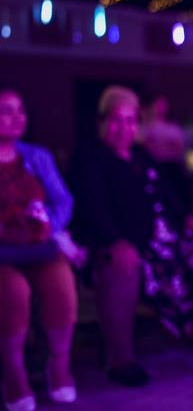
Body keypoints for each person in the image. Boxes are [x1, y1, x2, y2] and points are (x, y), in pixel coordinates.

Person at [70, 86, 193, 388]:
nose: (125, 128)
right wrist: (115, 240)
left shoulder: (141, 154)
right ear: (102, 122)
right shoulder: (90, 156)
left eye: (131, 121)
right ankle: (121, 359)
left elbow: (167, 197)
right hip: (120, 241)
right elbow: (92, 208)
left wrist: (191, 222)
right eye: (117, 120)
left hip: (163, 239)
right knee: (124, 264)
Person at [0, 88, 78, 410]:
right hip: (3, 251)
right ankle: (14, 374)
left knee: (61, 284)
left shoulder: (37, 156)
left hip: (38, 246)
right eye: (7, 110)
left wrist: (47, 224)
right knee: (13, 292)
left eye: (21, 110)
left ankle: (58, 366)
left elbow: (63, 200)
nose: (17, 117)